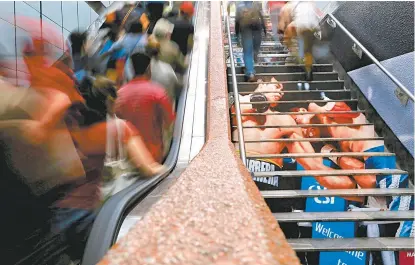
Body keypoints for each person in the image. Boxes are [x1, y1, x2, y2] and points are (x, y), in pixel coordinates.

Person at [48, 77, 165, 264]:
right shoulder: (118, 129)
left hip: (61, 215)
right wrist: (175, 167)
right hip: (92, 215)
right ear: (109, 101)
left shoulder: (71, 131)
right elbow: (148, 169)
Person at [115, 52, 175, 163]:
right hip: (153, 154)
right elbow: (169, 121)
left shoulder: (119, 94)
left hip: (129, 156)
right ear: (149, 69)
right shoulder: (158, 92)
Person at [278, 1, 320, 81]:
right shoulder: (309, 3)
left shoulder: (289, 5)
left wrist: (283, 34)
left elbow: (282, 26)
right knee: (308, 50)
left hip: (299, 25)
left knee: (290, 43)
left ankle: (299, 61)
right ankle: (308, 68)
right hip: (313, 26)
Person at [233, 1, 266, 82]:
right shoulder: (256, 4)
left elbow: (237, 21)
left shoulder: (239, 5)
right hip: (257, 28)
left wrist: (237, 35)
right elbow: (261, 16)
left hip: (245, 28)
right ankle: (253, 60)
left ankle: (250, 73)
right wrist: (265, 29)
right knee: (255, 49)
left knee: (247, 52)